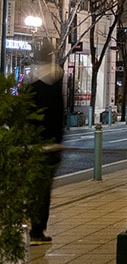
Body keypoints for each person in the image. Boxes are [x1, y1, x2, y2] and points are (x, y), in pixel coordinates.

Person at [27, 39, 64, 246]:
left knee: (33, 186)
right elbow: (59, 115)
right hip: (50, 144)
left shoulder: (29, 79)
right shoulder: (56, 78)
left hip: (31, 144)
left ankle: (34, 225)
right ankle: (38, 228)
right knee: (44, 188)